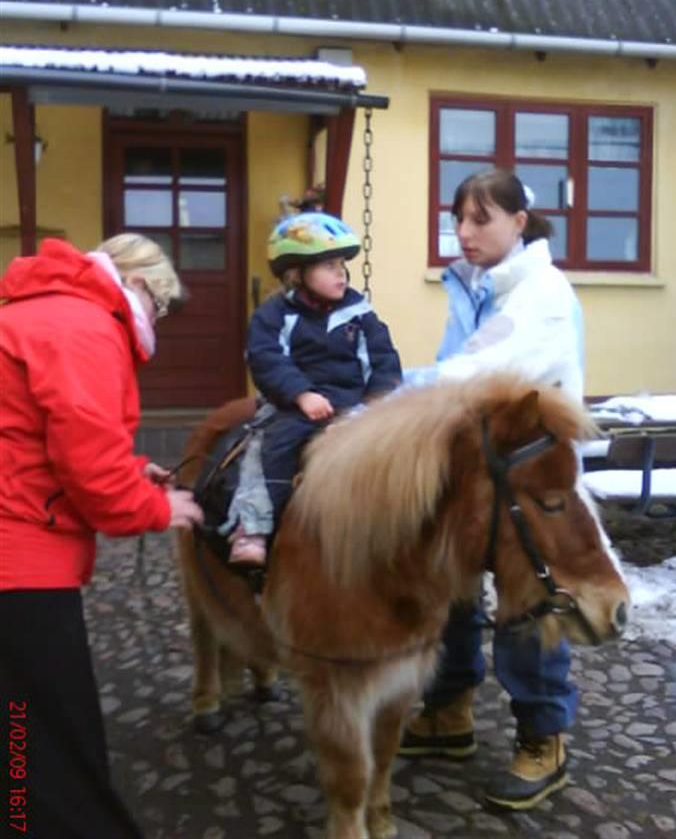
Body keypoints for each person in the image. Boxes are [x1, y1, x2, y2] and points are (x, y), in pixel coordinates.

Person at [0, 234, 203, 839]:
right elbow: (90, 471)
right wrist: (155, 506)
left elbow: (37, 436)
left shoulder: (38, 311)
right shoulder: (85, 327)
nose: (157, 322)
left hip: (17, 538)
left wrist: (134, 470)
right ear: (138, 285)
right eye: (161, 307)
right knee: (46, 730)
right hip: (20, 557)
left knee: (24, 716)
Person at [398, 168, 584, 811]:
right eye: (459, 219)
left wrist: (387, 398)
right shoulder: (477, 284)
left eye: (481, 219)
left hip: (533, 473)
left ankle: (543, 737)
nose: (465, 232)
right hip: (479, 465)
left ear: (518, 223)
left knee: (525, 600)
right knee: (450, 582)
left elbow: (478, 373)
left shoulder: (542, 294)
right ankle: (449, 711)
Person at [226, 211, 402, 564]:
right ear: (298, 273)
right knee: (268, 447)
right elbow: (267, 358)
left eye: (342, 264)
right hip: (294, 405)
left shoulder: (360, 314)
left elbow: (384, 362)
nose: (341, 272)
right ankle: (254, 525)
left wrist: (371, 407)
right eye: (328, 265)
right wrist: (301, 394)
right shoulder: (276, 315)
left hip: (354, 406)